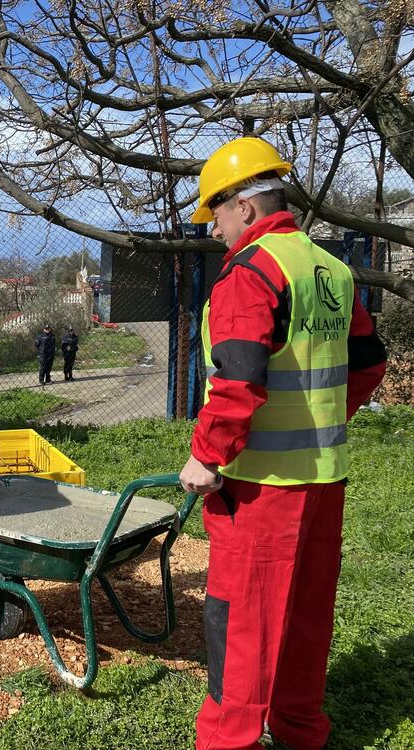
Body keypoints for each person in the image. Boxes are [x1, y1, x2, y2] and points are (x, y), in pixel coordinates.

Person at [179, 137, 386, 750]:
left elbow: (237, 381)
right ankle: (298, 730)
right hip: (323, 480)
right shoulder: (329, 268)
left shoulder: (250, 273)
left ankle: (231, 740)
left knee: (242, 622)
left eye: (216, 213)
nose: (214, 228)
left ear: (244, 205)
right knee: (303, 614)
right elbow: (368, 365)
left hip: (260, 489)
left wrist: (207, 456)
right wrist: (321, 420)